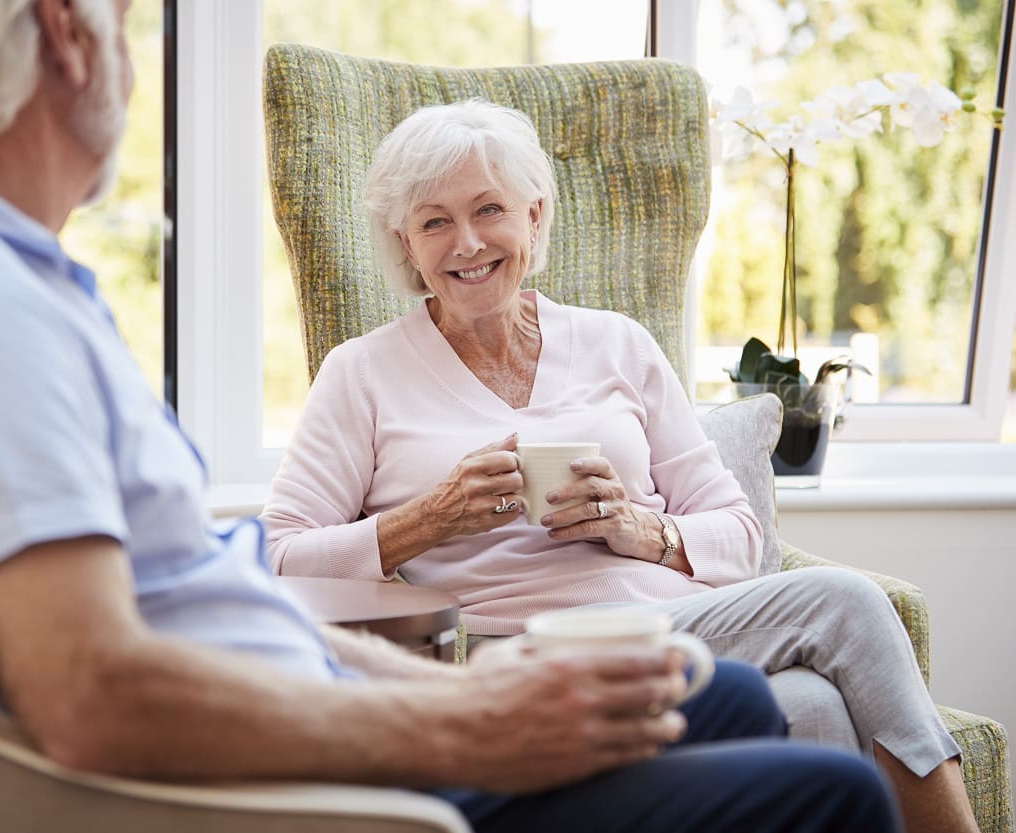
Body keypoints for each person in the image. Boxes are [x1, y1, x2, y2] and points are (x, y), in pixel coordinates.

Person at [0, 1, 902, 831]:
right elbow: (89, 688)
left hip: (381, 677)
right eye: (124, 22)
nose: (131, 59)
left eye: (488, 210)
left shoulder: (15, 283)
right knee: (831, 793)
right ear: (63, 34)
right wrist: (464, 711)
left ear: (534, 219)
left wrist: (462, 678)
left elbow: (215, 591)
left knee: (729, 698)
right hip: (302, 775)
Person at [261, 99, 977, 833]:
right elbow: (277, 557)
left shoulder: (619, 344)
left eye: (489, 209)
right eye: (434, 221)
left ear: (534, 218)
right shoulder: (362, 374)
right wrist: (427, 519)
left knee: (814, 705)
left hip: (676, 622)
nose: (468, 242)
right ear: (406, 244)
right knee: (848, 603)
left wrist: (640, 527)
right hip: (523, 647)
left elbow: (738, 535)